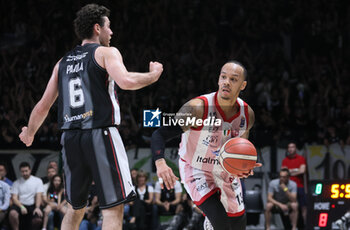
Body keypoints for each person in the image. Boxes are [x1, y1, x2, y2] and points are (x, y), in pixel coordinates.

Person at [18, 4, 163, 230]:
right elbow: (126, 81)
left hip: (71, 139)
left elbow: (42, 106)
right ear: (98, 28)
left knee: (74, 209)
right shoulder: (106, 52)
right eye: (109, 27)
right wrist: (153, 76)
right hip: (101, 134)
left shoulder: (62, 62)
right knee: (113, 209)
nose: (111, 32)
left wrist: (30, 132)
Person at [151, 61, 261, 230]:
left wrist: (245, 165)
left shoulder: (247, 114)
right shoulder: (197, 108)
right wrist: (160, 163)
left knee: (238, 225)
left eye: (233, 79)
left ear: (243, 85)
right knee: (221, 223)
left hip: (225, 170)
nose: (226, 82)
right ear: (218, 79)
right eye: (223, 77)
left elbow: (241, 147)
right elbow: (159, 134)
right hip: (196, 169)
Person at [9, 162, 44, 230]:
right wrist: (21, 206)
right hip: (20, 204)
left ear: (30, 170)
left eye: (26, 171)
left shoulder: (38, 181)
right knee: (12, 214)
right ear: (20, 172)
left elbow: (38, 195)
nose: (24, 173)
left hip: (32, 205)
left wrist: (37, 207)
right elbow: (14, 198)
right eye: (22, 171)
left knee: (38, 220)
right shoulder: (16, 182)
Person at [281, 142, 307, 225]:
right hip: (289, 188)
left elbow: (302, 171)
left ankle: (305, 226)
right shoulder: (285, 160)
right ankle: (293, 227)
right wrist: (296, 170)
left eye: (292, 147)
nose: (291, 149)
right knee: (292, 207)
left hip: (300, 186)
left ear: (295, 148)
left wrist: (290, 171)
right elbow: (284, 173)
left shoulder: (301, 158)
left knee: (303, 207)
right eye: (289, 147)